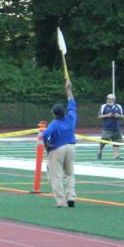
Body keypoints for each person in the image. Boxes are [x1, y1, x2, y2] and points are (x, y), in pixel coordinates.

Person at [42, 80, 77, 208]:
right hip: (71, 148)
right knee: (70, 174)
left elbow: (44, 135)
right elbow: (72, 103)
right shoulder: (71, 117)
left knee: (56, 176)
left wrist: (47, 147)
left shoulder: (55, 123)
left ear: (54, 114)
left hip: (57, 149)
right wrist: (68, 89)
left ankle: (61, 201)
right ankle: (71, 197)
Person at [97, 94, 124, 160]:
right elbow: (99, 116)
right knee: (103, 141)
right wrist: (107, 115)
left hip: (116, 128)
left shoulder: (118, 106)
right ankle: (99, 152)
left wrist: (118, 115)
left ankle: (116, 156)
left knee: (117, 142)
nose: (109, 100)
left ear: (114, 100)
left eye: (111, 99)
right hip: (107, 128)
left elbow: (123, 116)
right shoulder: (104, 106)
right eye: (108, 98)